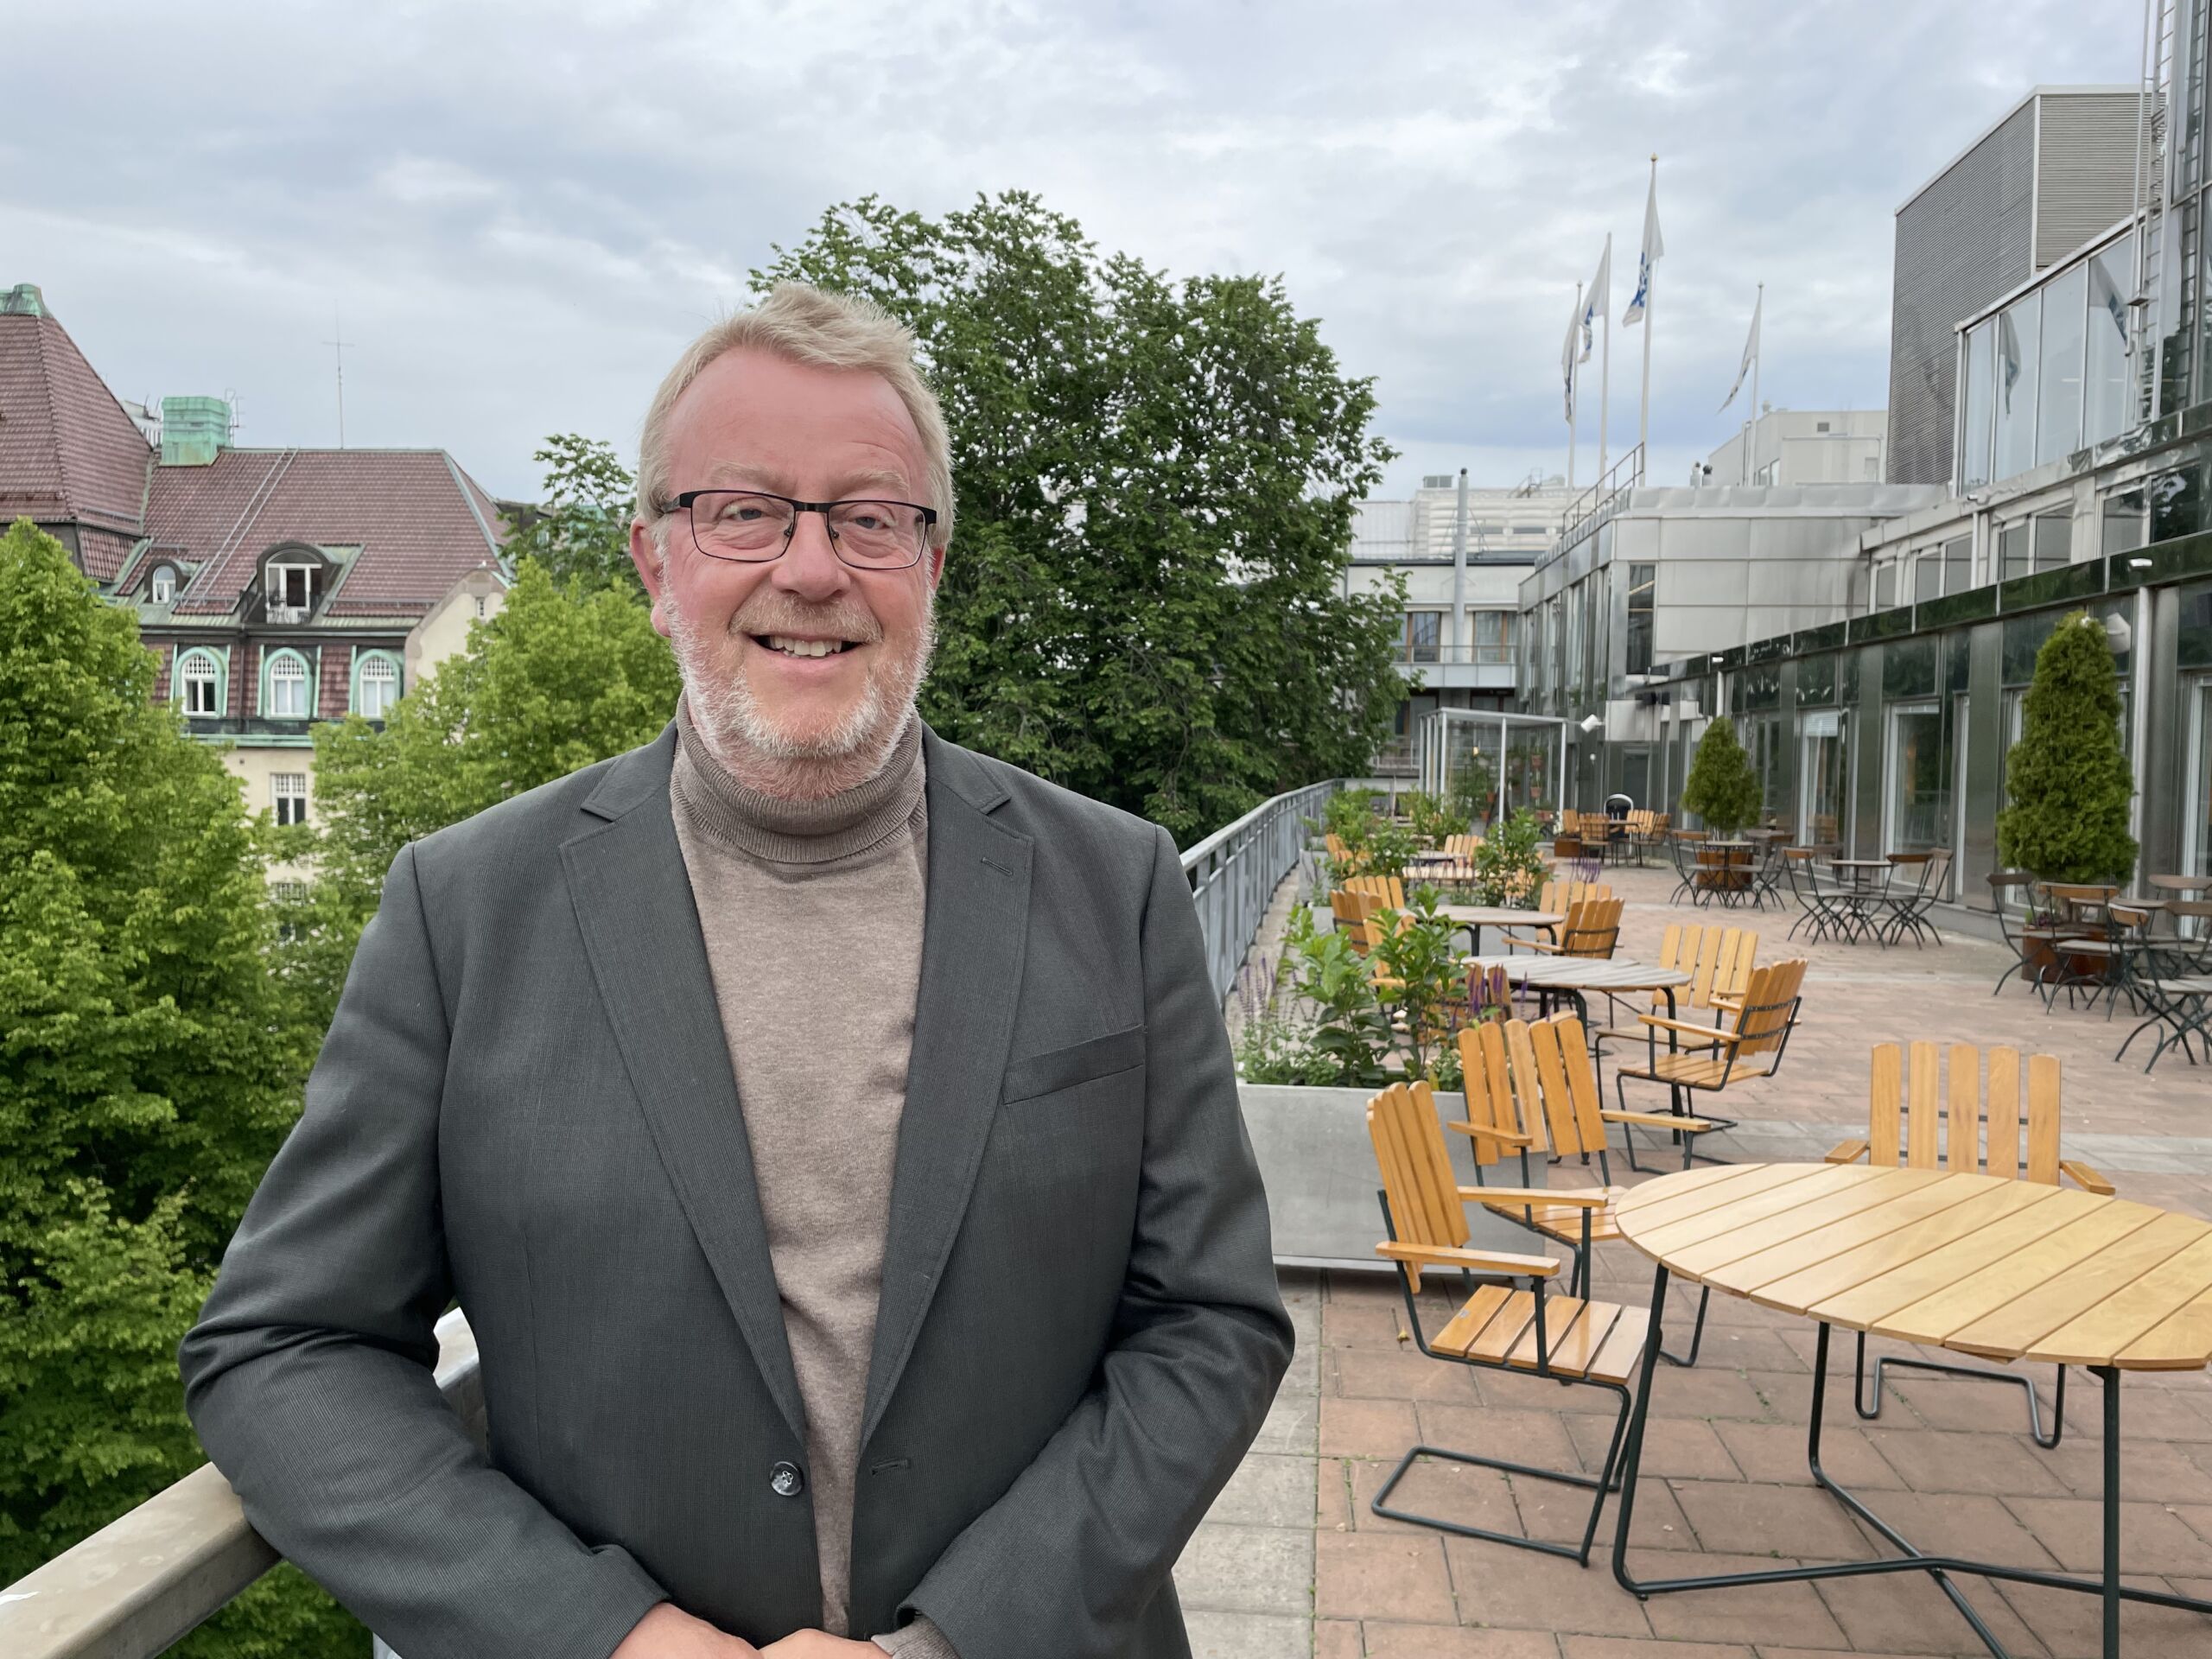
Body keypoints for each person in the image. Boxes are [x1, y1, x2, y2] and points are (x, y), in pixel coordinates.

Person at [180, 283, 1292, 1659]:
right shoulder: (463, 913)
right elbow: (285, 1352)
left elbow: (1209, 1324)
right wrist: (613, 1638)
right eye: (745, 511)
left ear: (930, 567)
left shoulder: (1114, 888)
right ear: (656, 564)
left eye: (870, 517)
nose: (812, 570)